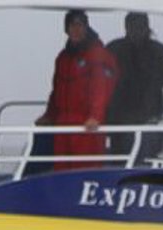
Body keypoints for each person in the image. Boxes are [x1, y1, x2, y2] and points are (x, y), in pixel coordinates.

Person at [37, 10, 118, 171]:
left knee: (86, 171)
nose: (76, 30)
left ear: (86, 27)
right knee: (61, 171)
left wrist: (95, 116)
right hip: (64, 124)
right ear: (66, 29)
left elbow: (101, 88)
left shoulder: (98, 55)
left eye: (79, 25)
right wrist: (49, 115)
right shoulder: (63, 57)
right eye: (72, 25)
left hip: (86, 125)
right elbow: (57, 91)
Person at [105, 12, 163, 160]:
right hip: (122, 124)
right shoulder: (114, 50)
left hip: (143, 123)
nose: (136, 30)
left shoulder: (114, 49)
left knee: (127, 167)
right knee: (136, 167)